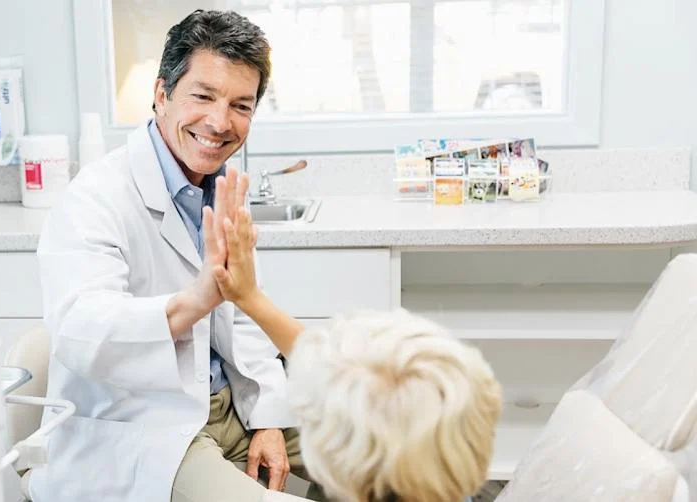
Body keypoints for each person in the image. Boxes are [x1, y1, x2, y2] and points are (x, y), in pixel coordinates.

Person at [32, 9, 326, 502]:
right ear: (162, 94)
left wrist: (269, 418)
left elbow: (243, 322)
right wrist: (195, 300)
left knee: (389, 458)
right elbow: (81, 334)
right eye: (203, 96)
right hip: (149, 425)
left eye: (240, 105)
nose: (220, 122)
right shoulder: (95, 197)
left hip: (231, 406)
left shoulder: (220, 186)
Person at [209, 208, 504, 502]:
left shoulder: (357, 473)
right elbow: (319, 359)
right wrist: (250, 298)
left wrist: (249, 298)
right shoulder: (449, 468)